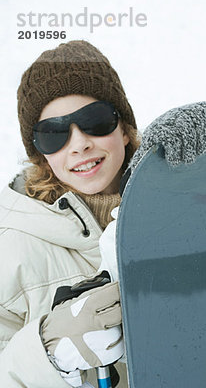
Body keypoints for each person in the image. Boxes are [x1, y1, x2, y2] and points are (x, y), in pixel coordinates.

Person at [0, 40, 139, 387]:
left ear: (123, 128)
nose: (78, 144)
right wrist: (47, 350)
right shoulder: (11, 249)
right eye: (53, 134)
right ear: (40, 154)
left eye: (94, 120)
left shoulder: (174, 205)